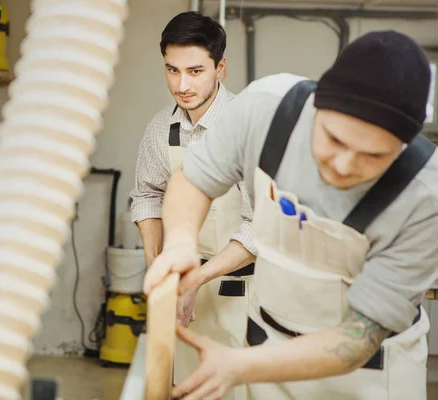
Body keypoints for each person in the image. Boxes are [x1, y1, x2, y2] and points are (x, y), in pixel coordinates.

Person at [143, 30, 438, 400]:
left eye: (373, 156)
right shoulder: (266, 110)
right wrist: (180, 242)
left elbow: (357, 340)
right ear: (316, 106)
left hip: (372, 374)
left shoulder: (425, 196)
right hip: (268, 345)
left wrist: (236, 365)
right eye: (334, 139)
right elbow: (192, 180)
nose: (344, 165)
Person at [128, 11, 255, 399]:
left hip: (241, 294)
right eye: (172, 70)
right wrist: (158, 268)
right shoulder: (159, 129)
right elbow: (147, 195)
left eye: (196, 71)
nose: (182, 85)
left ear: (221, 68)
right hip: (181, 293)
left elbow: (258, 226)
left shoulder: (247, 127)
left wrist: (196, 280)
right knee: (182, 387)